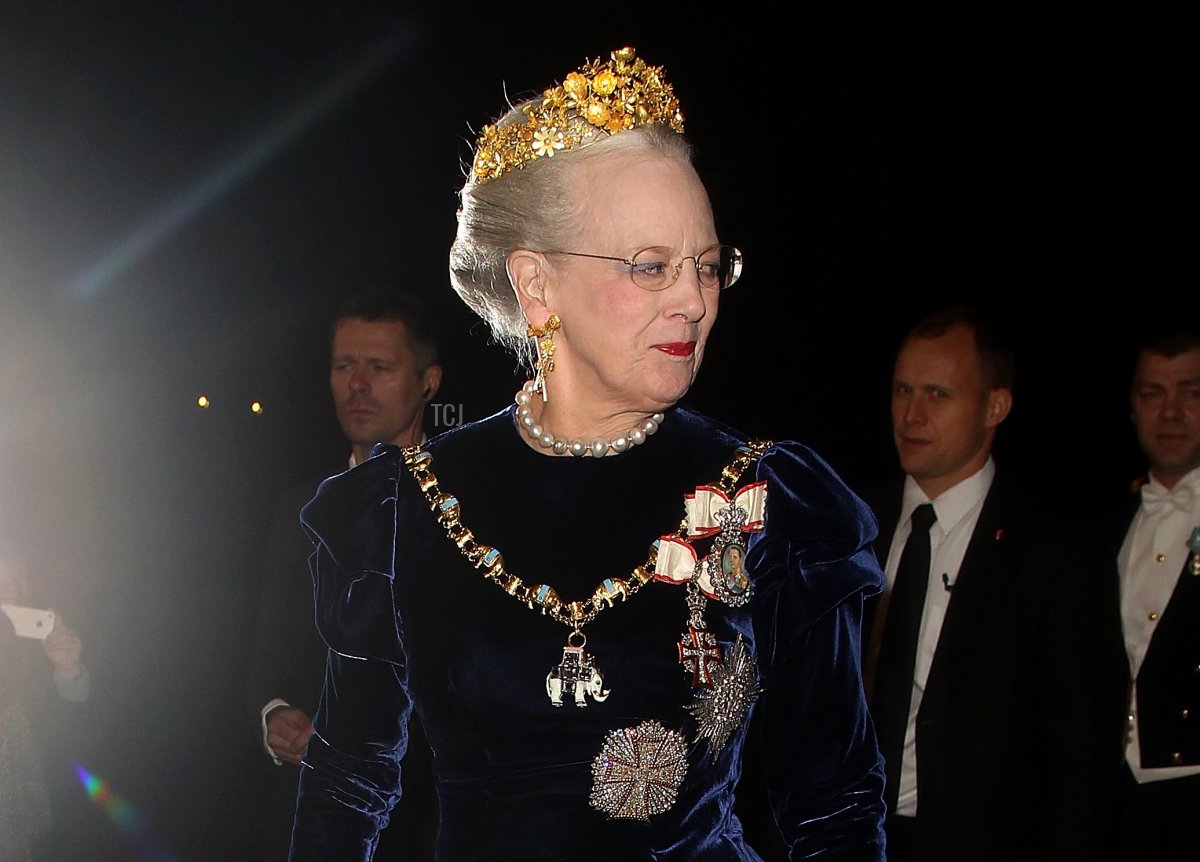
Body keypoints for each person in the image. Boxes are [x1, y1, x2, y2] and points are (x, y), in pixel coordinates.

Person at [288, 47, 887, 861]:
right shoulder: (410, 504)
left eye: (709, 266)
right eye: (650, 267)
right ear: (536, 285)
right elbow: (345, 786)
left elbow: (835, 806)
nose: (693, 299)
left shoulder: (768, 502)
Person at [862, 306, 1127, 861]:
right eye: (903, 389)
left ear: (995, 406)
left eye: (938, 395)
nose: (912, 414)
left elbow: (1082, 752)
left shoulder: (1054, 553)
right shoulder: (853, 527)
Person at [245, 289, 442, 861]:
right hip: (314, 825)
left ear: (428, 380)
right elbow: (267, 661)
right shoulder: (300, 511)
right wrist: (274, 716)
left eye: (379, 367)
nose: (357, 384)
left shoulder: (470, 510)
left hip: (436, 825)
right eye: (343, 366)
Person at [1109, 327, 1200, 861]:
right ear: (1132, 408)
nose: (1170, 413)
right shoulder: (1098, 527)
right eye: (1153, 394)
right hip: (1111, 803)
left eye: (1192, 393)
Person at [0, 537, 92, 861]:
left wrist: (69, 672)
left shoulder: (36, 658)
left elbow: (75, 745)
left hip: (21, 840)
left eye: (6, 588)